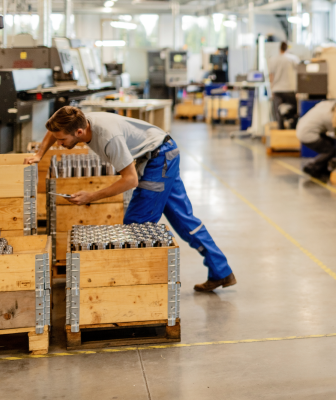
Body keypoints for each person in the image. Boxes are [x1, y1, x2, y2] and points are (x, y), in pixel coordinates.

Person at [24, 106, 236, 292]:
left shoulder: (108, 138)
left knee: (136, 224)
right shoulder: (76, 120)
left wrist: (92, 196)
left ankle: (140, 291)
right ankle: (221, 271)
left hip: (159, 158)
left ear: (79, 132)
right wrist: (39, 155)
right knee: (183, 219)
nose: (59, 144)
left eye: (62, 140)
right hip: (161, 152)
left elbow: (130, 180)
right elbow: (53, 132)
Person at [296, 100, 336, 178]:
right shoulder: (329, 117)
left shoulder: (327, 104)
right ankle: (312, 167)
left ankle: (322, 169)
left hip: (301, 128)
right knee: (330, 150)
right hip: (307, 134)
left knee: (330, 143)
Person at [269, 42, 300, 129]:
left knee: (277, 111)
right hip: (290, 89)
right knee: (295, 109)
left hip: (277, 89)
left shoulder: (273, 59)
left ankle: (280, 127)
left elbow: (271, 75)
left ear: (280, 49)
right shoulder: (293, 58)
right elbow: (300, 72)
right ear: (287, 49)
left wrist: (272, 89)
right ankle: (293, 126)